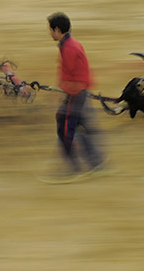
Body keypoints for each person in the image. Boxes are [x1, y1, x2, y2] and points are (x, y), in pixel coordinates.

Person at [45, 12, 106, 182]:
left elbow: (72, 77)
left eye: (50, 29)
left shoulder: (68, 48)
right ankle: (96, 163)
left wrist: (62, 95)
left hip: (75, 94)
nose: (49, 33)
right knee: (80, 127)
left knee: (64, 128)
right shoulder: (71, 44)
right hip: (79, 93)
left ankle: (73, 168)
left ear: (57, 30)